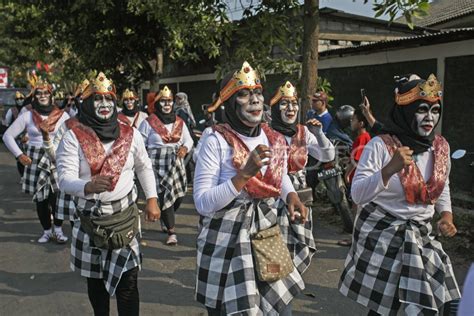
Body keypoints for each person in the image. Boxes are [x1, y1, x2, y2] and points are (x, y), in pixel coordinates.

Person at [339, 74, 461, 315]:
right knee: (388, 307)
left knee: (448, 303)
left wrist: (446, 216)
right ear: (405, 111)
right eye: (422, 109)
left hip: (422, 236)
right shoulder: (380, 146)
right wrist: (388, 170)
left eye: (435, 110)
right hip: (385, 237)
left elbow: (441, 185)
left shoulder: (440, 147)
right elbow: (358, 194)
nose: (430, 117)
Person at [194, 62, 309, 315]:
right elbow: (202, 202)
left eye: (257, 92)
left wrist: (290, 195)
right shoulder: (214, 139)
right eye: (244, 94)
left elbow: (279, 174)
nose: (255, 99)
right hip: (226, 239)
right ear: (230, 102)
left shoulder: (273, 137)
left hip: (267, 233)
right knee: (232, 309)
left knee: (280, 308)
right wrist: (243, 175)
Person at [56, 72, 160, 316]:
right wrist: (87, 187)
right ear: (87, 104)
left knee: (129, 282)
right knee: (96, 281)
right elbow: (64, 178)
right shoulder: (72, 136)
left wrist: (153, 199)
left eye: (109, 99)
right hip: (89, 218)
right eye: (97, 99)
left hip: (124, 217)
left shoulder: (130, 134)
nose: (104, 105)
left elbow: (144, 166)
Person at [2, 75, 70, 243]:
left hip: (56, 158)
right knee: (41, 199)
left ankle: (59, 230)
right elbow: (8, 136)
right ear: (34, 97)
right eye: (38, 93)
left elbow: (71, 138)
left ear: (51, 95)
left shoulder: (62, 116)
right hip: (34, 159)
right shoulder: (27, 116)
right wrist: (20, 154)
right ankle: (47, 231)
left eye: (45, 93)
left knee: (57, 197)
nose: (42, 96)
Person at [139, 86, 193, 245]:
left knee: (179, 197)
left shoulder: (179, 122)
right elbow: (140, 143)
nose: (167, 104)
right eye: (163, 101)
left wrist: (185, 148)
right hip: (156, 164)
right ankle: (171, 232)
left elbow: (189, 140)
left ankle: (165, 216)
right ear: (157, 103)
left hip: (176, 163)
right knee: (164, 195)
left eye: (169, 100)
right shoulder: (148, 123)